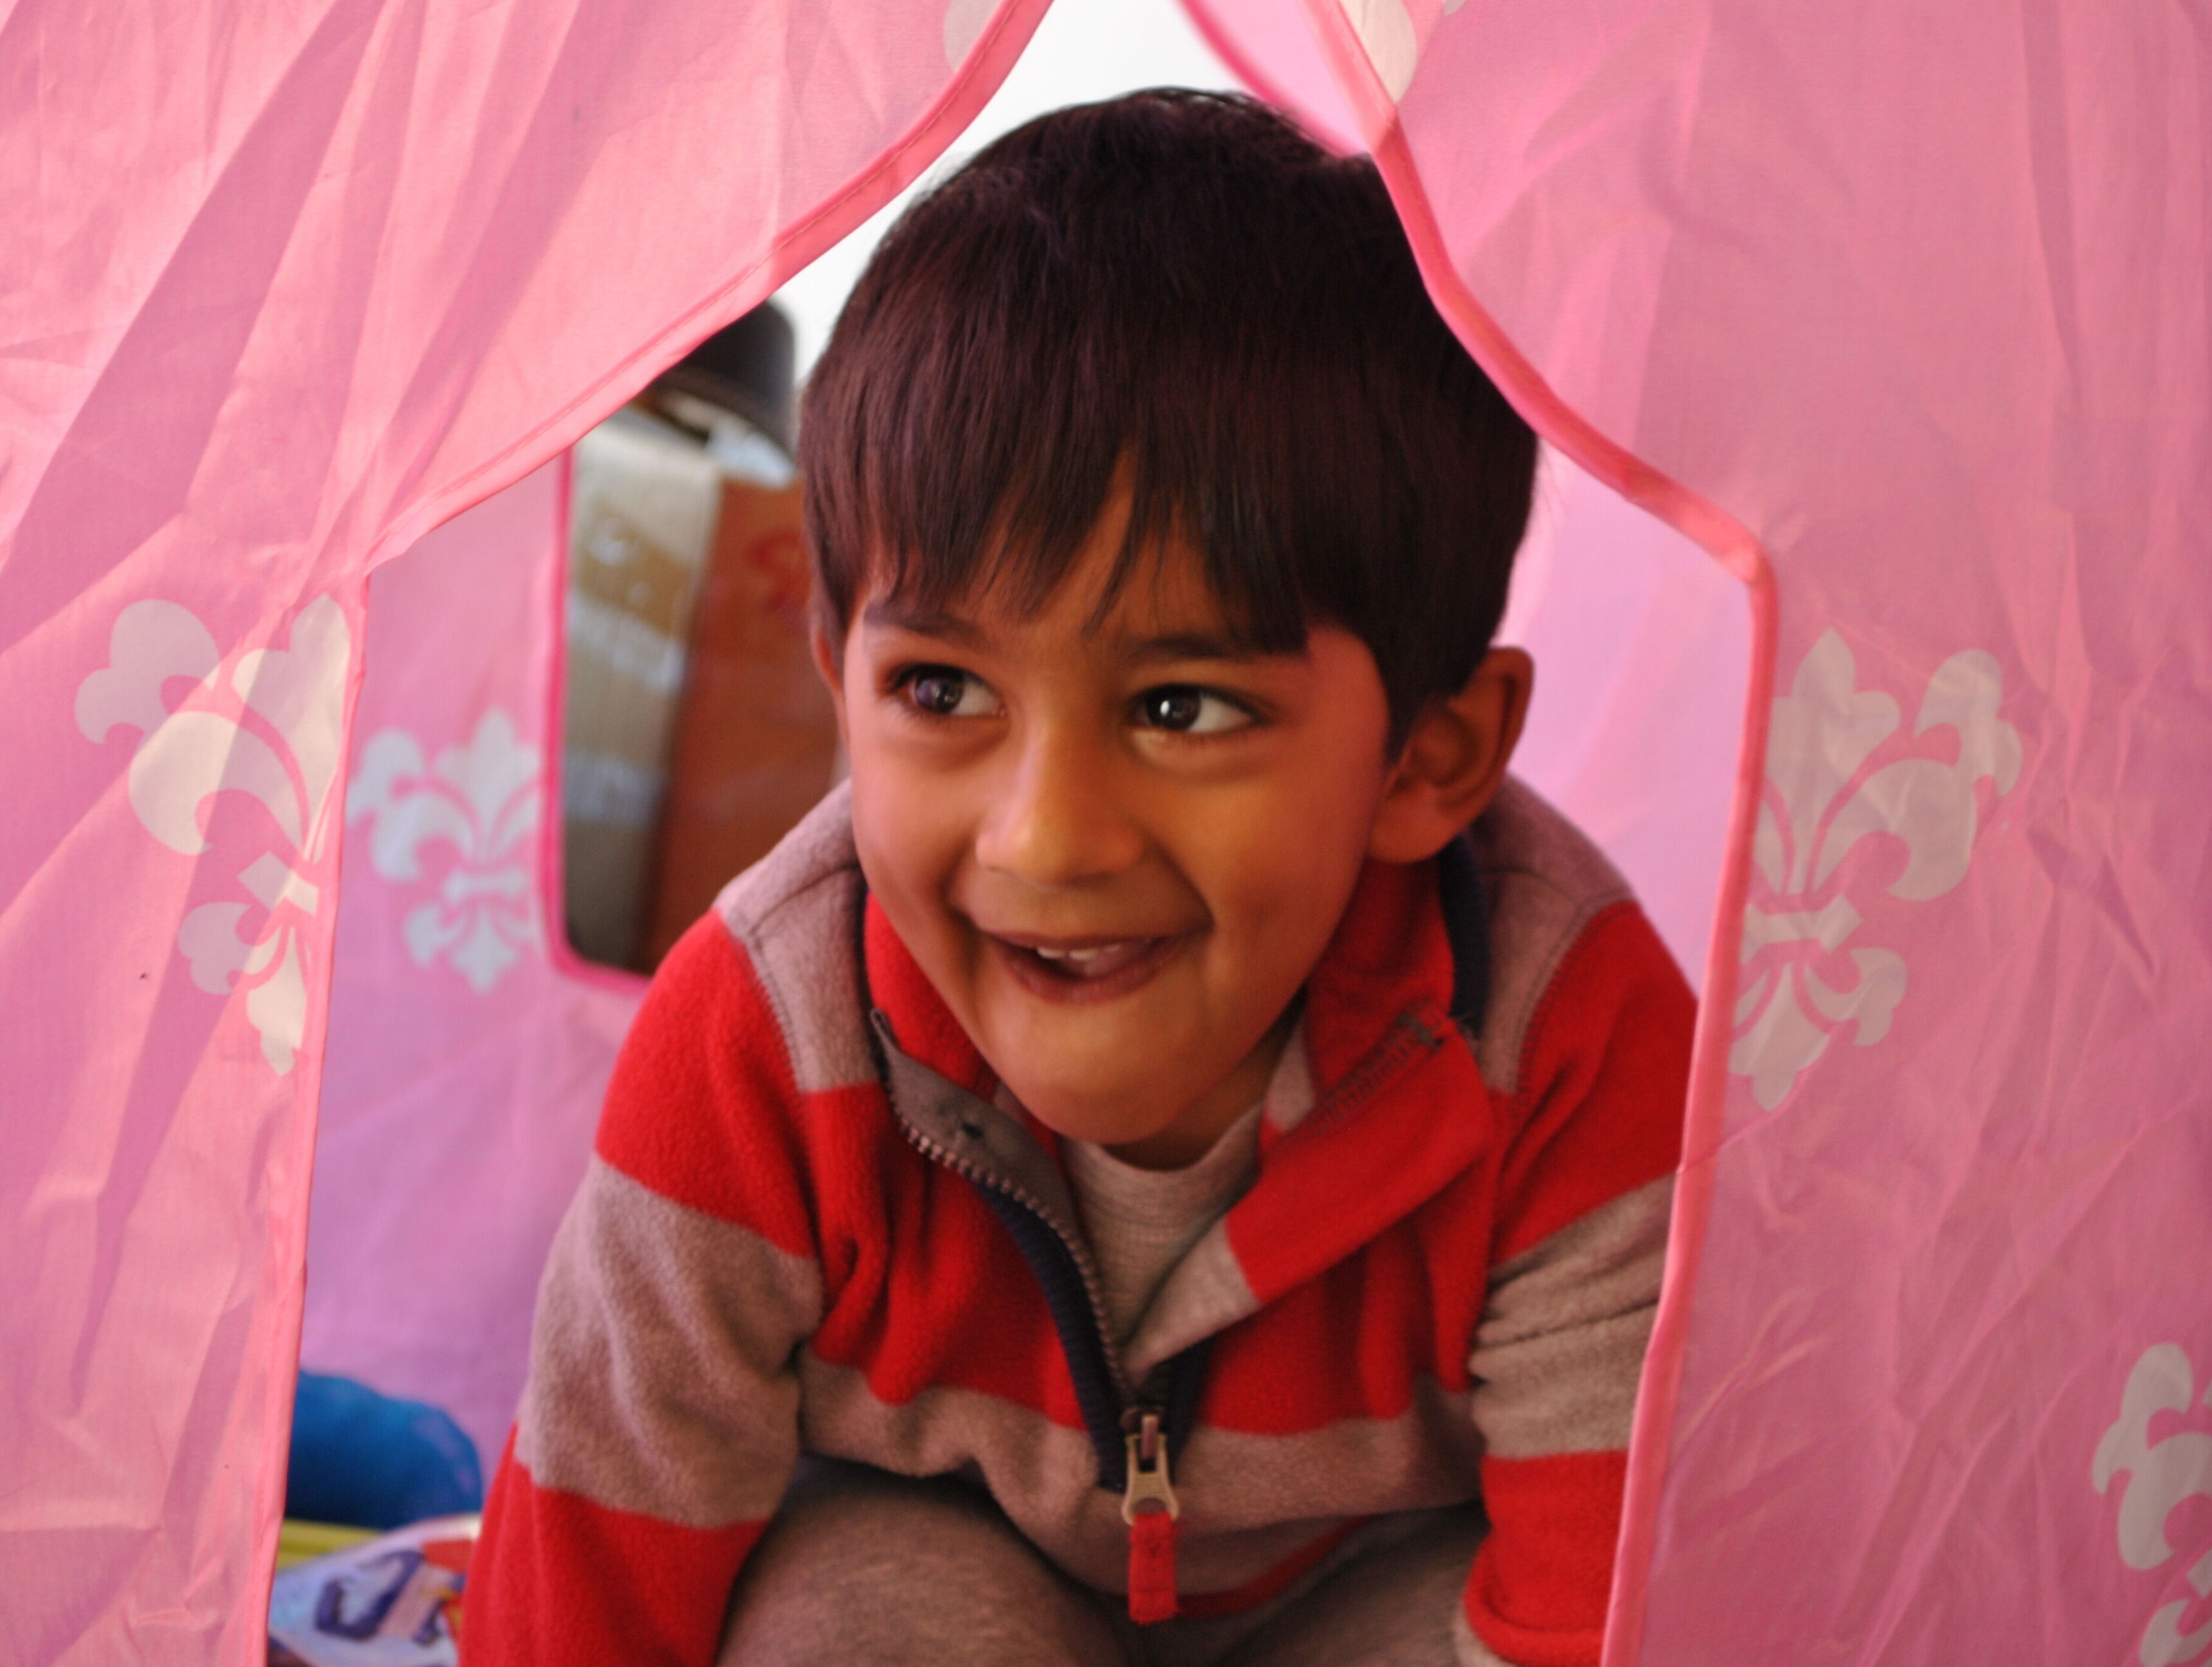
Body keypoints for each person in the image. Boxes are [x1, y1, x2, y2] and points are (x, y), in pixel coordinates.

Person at [461, 89, 1696, 1667]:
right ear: (838, 678)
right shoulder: (765, 1036)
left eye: (1183, 709)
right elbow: (594, 1575)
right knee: (842, 1623)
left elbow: (1606, 1610)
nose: (1043, 840)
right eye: (942, 692)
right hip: (954, 1589)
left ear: (1428, 759)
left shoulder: (1567, 1037)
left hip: (1362, 1604)